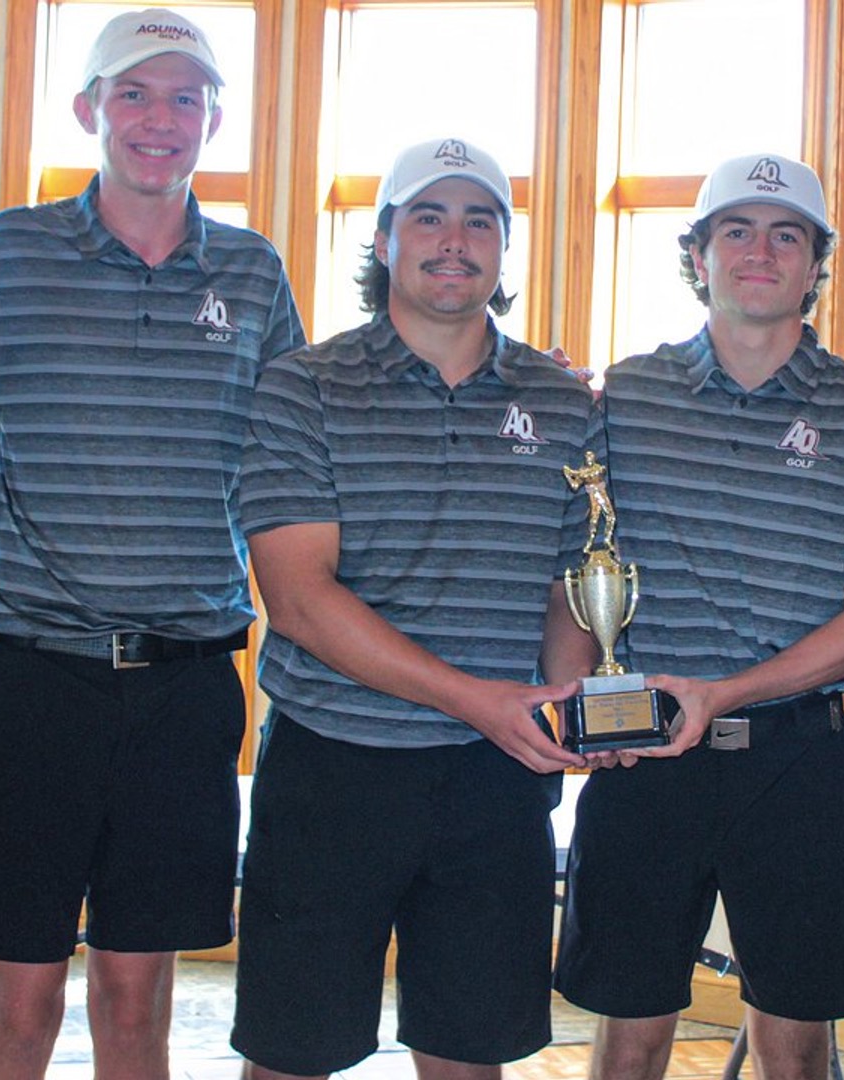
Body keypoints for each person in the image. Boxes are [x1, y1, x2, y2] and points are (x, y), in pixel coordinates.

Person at [0, 9, 305, 1078]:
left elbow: (305, 456)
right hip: (32, 684)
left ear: (214, 118)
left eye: (184, 98)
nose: (160, 119)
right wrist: (0, 508)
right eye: (135, 95)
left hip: (185, 689)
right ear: (88, 109)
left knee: (139, 1000)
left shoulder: (252, 273)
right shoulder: (11, 251)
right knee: (17, 1004)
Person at [549, 153, 844, 1080]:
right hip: (641, 752)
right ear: (698, 256)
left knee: (795, 1040)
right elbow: (575, 560)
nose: (759, 251)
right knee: (629, 1030)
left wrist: (719, 695)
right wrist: (573, 704)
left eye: (785, 234)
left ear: (815, 264)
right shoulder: (625, 397)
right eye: (736, 230)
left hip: (800, 761)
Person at [232, 136, 592, 1080]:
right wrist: (479, 698)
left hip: (495, 777)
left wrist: (567, 692)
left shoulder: (563, 401)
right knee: (293, 1056)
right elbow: (300, 600)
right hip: (333, 769)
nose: (454, 240)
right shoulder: (304, 386)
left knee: (471, 1056)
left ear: (503, 249)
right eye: (427, 216)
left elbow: (574, 583)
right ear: (385, 238)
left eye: (480, 220)